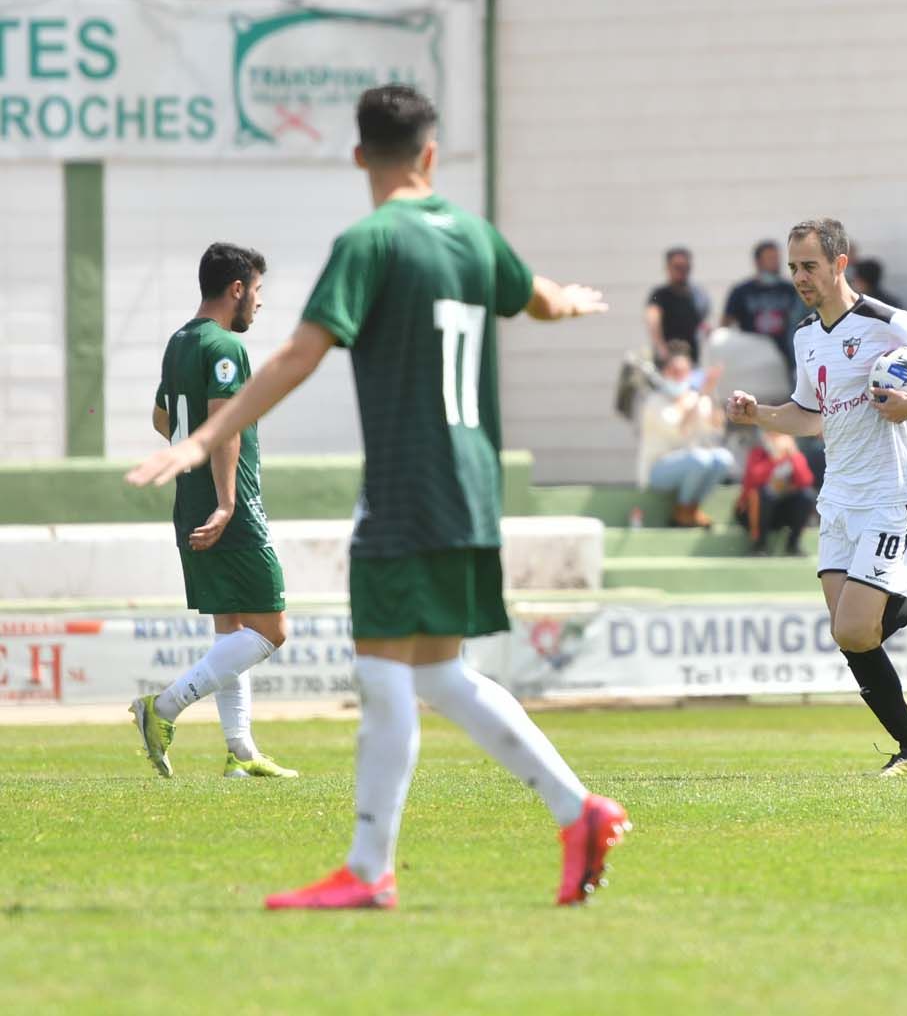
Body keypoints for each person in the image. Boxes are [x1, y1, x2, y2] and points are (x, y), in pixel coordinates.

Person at [127, 85, 628, 909]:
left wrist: (201, 439)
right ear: (430, 154)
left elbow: (297, 355)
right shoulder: (471, 232)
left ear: (360, 156)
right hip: (471, 483)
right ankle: (577, 811)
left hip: (406, 483)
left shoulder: (371, 239)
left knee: (385, 671)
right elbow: (536, 298)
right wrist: (571, 300)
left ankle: (369, 871)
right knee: (436, 672)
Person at [726, 217, 907, 777]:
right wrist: (760, 415)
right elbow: (809, 415)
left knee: (852, 629)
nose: (799, 277)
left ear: (840, 264)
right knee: (853, 635)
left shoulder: (884, 321)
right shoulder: (803, 336)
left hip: (888, 494)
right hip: (839, 500)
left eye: (810, 266)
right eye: (794, 267)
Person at [130, 242, 297, 781]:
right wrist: (227, 501)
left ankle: (240, 752)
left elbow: (162, 417)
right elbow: (224, 424)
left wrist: (194, 459)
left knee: (232, 626)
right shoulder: (225, 346)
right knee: (271, 629)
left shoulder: (180, 342)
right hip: (233, 503)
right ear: (236, 289)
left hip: (189, 499)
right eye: (258, 292)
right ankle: (164, 708)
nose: (260, 304)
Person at [637, 341, 731, 528]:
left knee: (723, 459)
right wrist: (700, 394)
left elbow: (716, 427)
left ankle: (691, 509)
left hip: (694, 465)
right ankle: (682, 512)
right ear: (664, 372)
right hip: (657, 470)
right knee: (700, 459)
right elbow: (679, 429)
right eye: (674, 371)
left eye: (684, 371)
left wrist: (712, 392)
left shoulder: (696, 398)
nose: (679, 376)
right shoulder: (654, 402)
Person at [722, 239, 804, 366]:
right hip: (752, 355)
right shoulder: (741, 291)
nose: (775, 263)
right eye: (770, 259)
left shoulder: (790, 290)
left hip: (785, 354)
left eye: (777, 258)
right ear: (758, 262)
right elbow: (726, 324)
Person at [737, 431, 816, 555]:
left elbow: (805, 481)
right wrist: (776, 458)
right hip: (754, 511)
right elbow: (753, 479)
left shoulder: (793, 455)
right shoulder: (759, 451)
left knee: (806, 496)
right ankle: (759, 545)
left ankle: (793, 544)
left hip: (781, 512)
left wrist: (794, 456)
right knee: (763, 494)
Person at [645, 246, 710, 364]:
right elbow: (653, 321)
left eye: (686, 267)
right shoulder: (659, 295)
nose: (682, 271)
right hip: (668, 358)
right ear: (668, 268)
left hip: (690, 357)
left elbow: (700, 323)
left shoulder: (697, 295)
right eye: (677, 267)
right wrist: (661, 348)